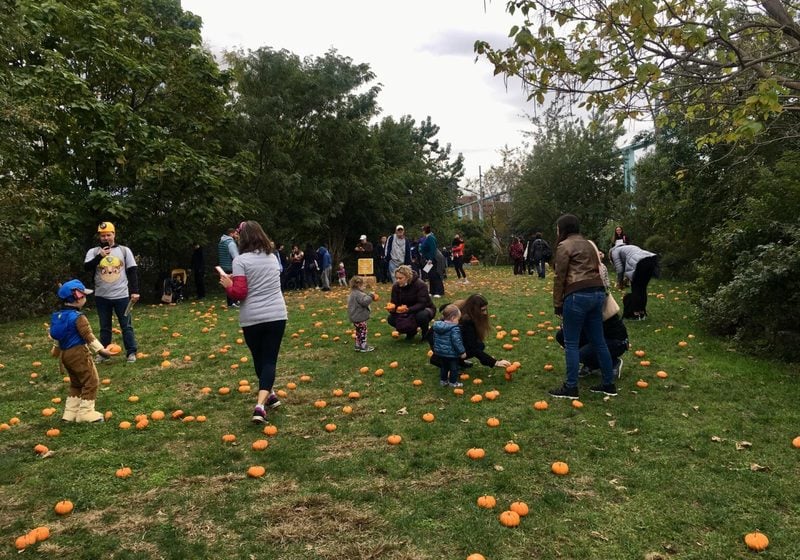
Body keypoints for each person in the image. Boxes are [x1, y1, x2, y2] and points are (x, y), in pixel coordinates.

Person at [219, 220, 287, 424]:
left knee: (261, 359)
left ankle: (259, 406)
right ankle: (270, 394)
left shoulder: (241, 260)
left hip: (252, 318)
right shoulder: (273, 257)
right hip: (276, 315)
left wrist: (227, 284)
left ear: (243, 238)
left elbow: (240, 293)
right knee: (268, 359)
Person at [550, 214, 616, 399]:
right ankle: (608, 383)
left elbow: (559, 276)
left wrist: (557, 304)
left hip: (577, 295)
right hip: (597, 294)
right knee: (599, 341)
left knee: (571, 343)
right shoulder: (589, 244)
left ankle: (571, 387)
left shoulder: (564, 246)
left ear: (563, 228)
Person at [49, 279, 111, 423]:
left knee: (76, 383)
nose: (85, 298)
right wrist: (101, 351)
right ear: (77, 298)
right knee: (91, 381)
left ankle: (69, 414)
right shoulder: (78, 317)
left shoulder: (59, 316)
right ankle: (85, 413)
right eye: (83, 295)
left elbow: (58, 337)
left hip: (65, 355)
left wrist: (56, 351)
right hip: (78, 353)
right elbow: (88, 337)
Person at [83, 222, 139, 363]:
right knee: (105, 327)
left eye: (108, 234)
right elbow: (86, 268)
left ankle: (131, 352)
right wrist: (99, 257)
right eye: (103, 235)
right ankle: (104, 353)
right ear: (99, 237)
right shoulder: (93, 252)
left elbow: (132, 271)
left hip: (122, 296)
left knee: (126, 325)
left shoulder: (124, 251)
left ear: (114, 234)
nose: (106, 238)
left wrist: (135, 291)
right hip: (102, 296)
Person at [429, 294, 511, 371]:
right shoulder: (465, 321)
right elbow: (472, 347)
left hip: (443, 340)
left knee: (479, 345)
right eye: (482, 310)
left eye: (485, 309)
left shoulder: (462, 310)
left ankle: (457, 361)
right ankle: (439, 360)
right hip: (439, 342)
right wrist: (494, 362)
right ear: (474, 310)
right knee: (473, 347)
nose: (485, 313)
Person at [556, 313, 628, 379]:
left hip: (615, 340)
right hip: (595, 335)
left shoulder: (594, 301)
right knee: (562, 335)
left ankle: (613, 363)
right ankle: (592, 364)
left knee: (580, 354)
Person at [609, 244, 659, 320]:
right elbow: (630, 263)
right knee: (642, 288)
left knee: (636, 289)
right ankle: (642, 313)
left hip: (640, 263)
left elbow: (620, 270)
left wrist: (620, 283)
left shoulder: (614, 251)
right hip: (651, 260)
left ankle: (636, 313)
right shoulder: (628, 247)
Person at [387, 264, 436, 341]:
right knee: (391, 318)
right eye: (396, 278)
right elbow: (394, 302)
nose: (398, 280)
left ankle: (425, 333)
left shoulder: (420, 285)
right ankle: (410, 331)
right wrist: (392, 308)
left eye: (400, 278)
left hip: (424, 309)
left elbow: (422, 303)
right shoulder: (396, 287)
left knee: (421, 316)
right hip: (405, 310)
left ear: (407, 277)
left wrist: (408, 309)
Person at [432, 304, 467, 387]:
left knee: (444, 367)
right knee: (454, 368)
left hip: (440, 352)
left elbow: (435, 338)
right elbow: (457, 342)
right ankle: (453, 382)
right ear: (453, 318)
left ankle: (443, 381)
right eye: (458, 319)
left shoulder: (438, 326)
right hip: (451, 353)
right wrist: (462, 352)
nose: (458, 321)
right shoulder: (454, 328)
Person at [347, 276, 377, 352]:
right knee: (363, 332)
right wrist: (371, 295)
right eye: (364, 285)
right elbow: (365, 302)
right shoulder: (359, 294)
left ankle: (357, 345)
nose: (365, 287)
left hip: (354, 317)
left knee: (358, 332)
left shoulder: (352, 293)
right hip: (360, 317)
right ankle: (364, 347)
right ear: (359, 285)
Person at [419, 224, 444, 297]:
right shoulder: (427, 238)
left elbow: (433, 249)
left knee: (435, 274)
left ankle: (439, 292)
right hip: (428, 259)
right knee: (430, 275)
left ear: (424, 231)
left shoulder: (430, 238)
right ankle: (432, 291)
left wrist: (430, 259)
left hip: (433, 259)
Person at [217, 228, 240, 307]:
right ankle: (232, 302)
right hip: (230, 266)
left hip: (223, 266)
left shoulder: (221, 242)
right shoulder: (230, 243)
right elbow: (235, 256)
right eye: (236, 234)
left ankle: (232, 302)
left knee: (228, 284)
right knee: (233, 284)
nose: (237, 236)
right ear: (231, 234)